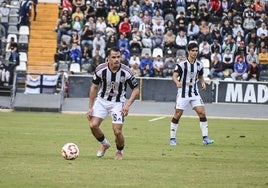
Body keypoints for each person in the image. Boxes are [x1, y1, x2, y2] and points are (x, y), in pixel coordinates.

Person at [86, 47, 139, 160]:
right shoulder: (100, 69)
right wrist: (90, 107)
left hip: (118, 102)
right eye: (113, 57)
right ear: (108, 58)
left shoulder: (126, 71)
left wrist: (127, 105)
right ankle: (105, 144)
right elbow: (94, 87)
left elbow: (136, 89)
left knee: (117, 131)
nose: (116, 60)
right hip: (102, 100)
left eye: (118, 57)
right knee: (93, 125)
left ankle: (119, 151)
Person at [169, 42, 214, 146]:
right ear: (188, 52)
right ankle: (172, 138)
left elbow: (200, 76)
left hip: (194, 92)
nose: (195, 53)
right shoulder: (181, 64)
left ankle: (205, 138)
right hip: (183, 93)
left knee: (202, 112)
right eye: (193, 51)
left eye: (196, 51)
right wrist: (177, 82)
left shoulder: (199, 64)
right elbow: (174, 76)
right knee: (178, 114)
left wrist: (202, 82)